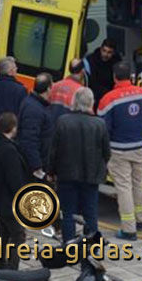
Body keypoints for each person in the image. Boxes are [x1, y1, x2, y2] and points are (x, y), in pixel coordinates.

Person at [97, 61, 142, 240]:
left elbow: (103, 129)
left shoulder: (108, 99)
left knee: (123, 187)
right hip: (140, 147)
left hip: (118, 150)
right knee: (138, 183)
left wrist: (104, 149)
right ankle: (140, 220)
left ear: (114, 77)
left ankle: (128, 229)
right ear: (131, 76)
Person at [48, 87, 110, 243]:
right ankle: (91, 245)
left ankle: (69, 245)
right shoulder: (99, 124)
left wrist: (51, 170)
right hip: (91, 175)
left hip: (67, 174)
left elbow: (54, 150)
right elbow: (106, 152)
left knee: (68, 212)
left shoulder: (63, 121)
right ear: (91, 103)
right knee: (90, 213)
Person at [0, 112, 30, 270]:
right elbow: (14, 180)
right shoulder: (9, 151)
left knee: (1, 235)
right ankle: (11, 269)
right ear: (13, 128)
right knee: (18, 235)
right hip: (8, 201)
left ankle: (0, 266)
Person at [17, 73, 54, 179]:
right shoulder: (35, 109)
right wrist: (37, 166)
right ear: (48, 89)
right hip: (31, 167)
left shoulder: (34, 103)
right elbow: (29, 140)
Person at [83, 39, 122, 110]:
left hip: (110, 98)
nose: (106, 54)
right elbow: (90, 81)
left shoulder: (117, 64)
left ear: (113, 53)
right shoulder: (91, 60)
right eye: (104, 51)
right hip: (93, 97)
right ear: (100, 49)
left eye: (109, 52)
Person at [49, 58, 85, 123]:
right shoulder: (81, 91)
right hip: (67, 129)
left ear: (69, 69)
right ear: (82, 71)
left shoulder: (55, 85)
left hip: (52, 126)